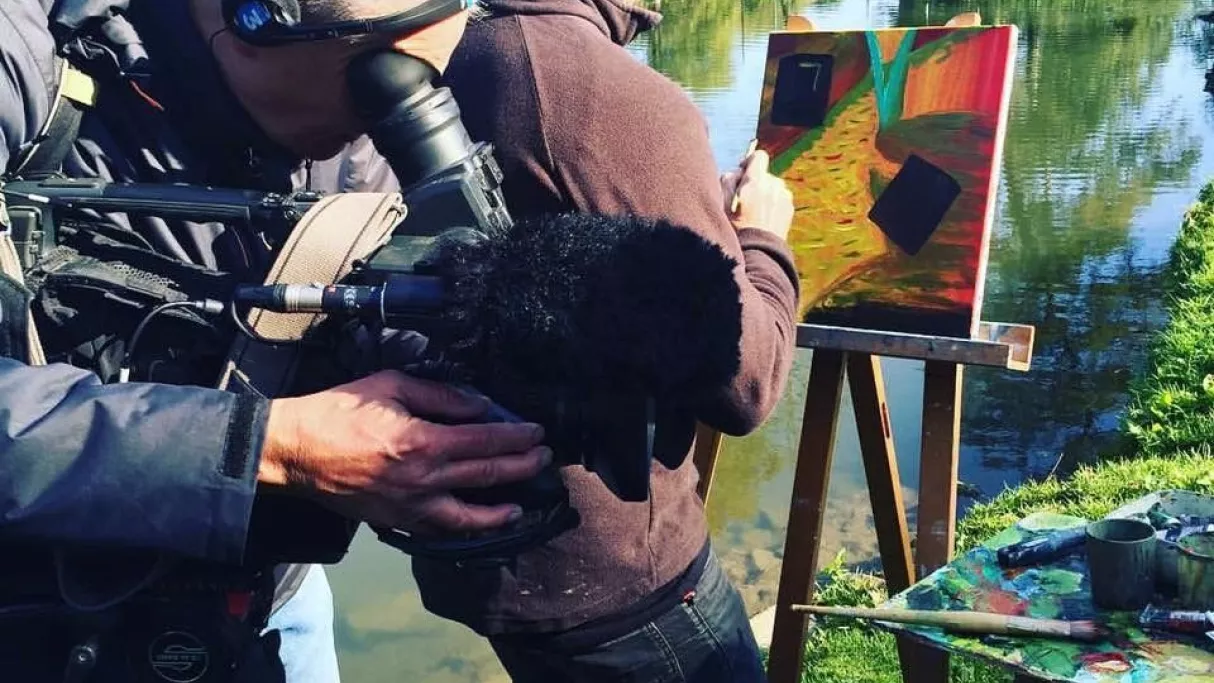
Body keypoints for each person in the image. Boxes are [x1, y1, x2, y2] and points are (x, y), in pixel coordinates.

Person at [0, 0, 553, 680]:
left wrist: (535, 334)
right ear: (255, 15)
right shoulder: (26, 60)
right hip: (44, 618)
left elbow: (395, 325)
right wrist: (266, 447)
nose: (399, 105)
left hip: (275, 597)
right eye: (380, 71)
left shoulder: (347, 132)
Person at [393, 0, 802, 680]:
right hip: (624, 589)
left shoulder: (454, 52)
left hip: (487, 557)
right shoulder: (605, 91)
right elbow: (746, 381)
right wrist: (761, 236)